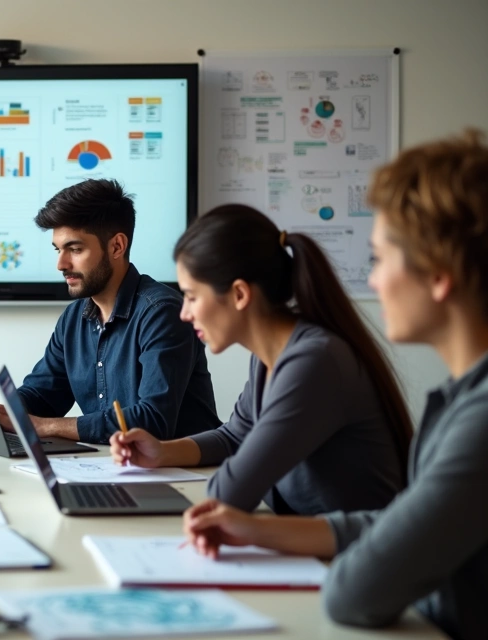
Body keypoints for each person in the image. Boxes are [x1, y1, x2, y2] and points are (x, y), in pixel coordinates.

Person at [181, 130, 488, 640]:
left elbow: (356, 590)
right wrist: (257, 529)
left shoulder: (479, 419)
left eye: (380, 259)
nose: (372, 281)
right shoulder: (459, 400)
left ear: (438, 276)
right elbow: (391, 527)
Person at [107, 205, 410, 515]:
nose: (184, 313)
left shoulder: (314, 362)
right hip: (305, 545)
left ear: (239, 294)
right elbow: (234, 436)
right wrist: (161, 452)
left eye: (192, 296)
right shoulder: (272, 356)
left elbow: (229, 492)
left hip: (349, 555)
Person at [0, 179, 221, 443]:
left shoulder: (163, 313)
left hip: (182, 473)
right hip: (111, 467)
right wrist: (0, 410)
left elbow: (152, 421)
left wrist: (45, 427)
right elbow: (42, 397)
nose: (61, 264)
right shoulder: (73, 319)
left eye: (75, 249)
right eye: (58, 250)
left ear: (117, 246)